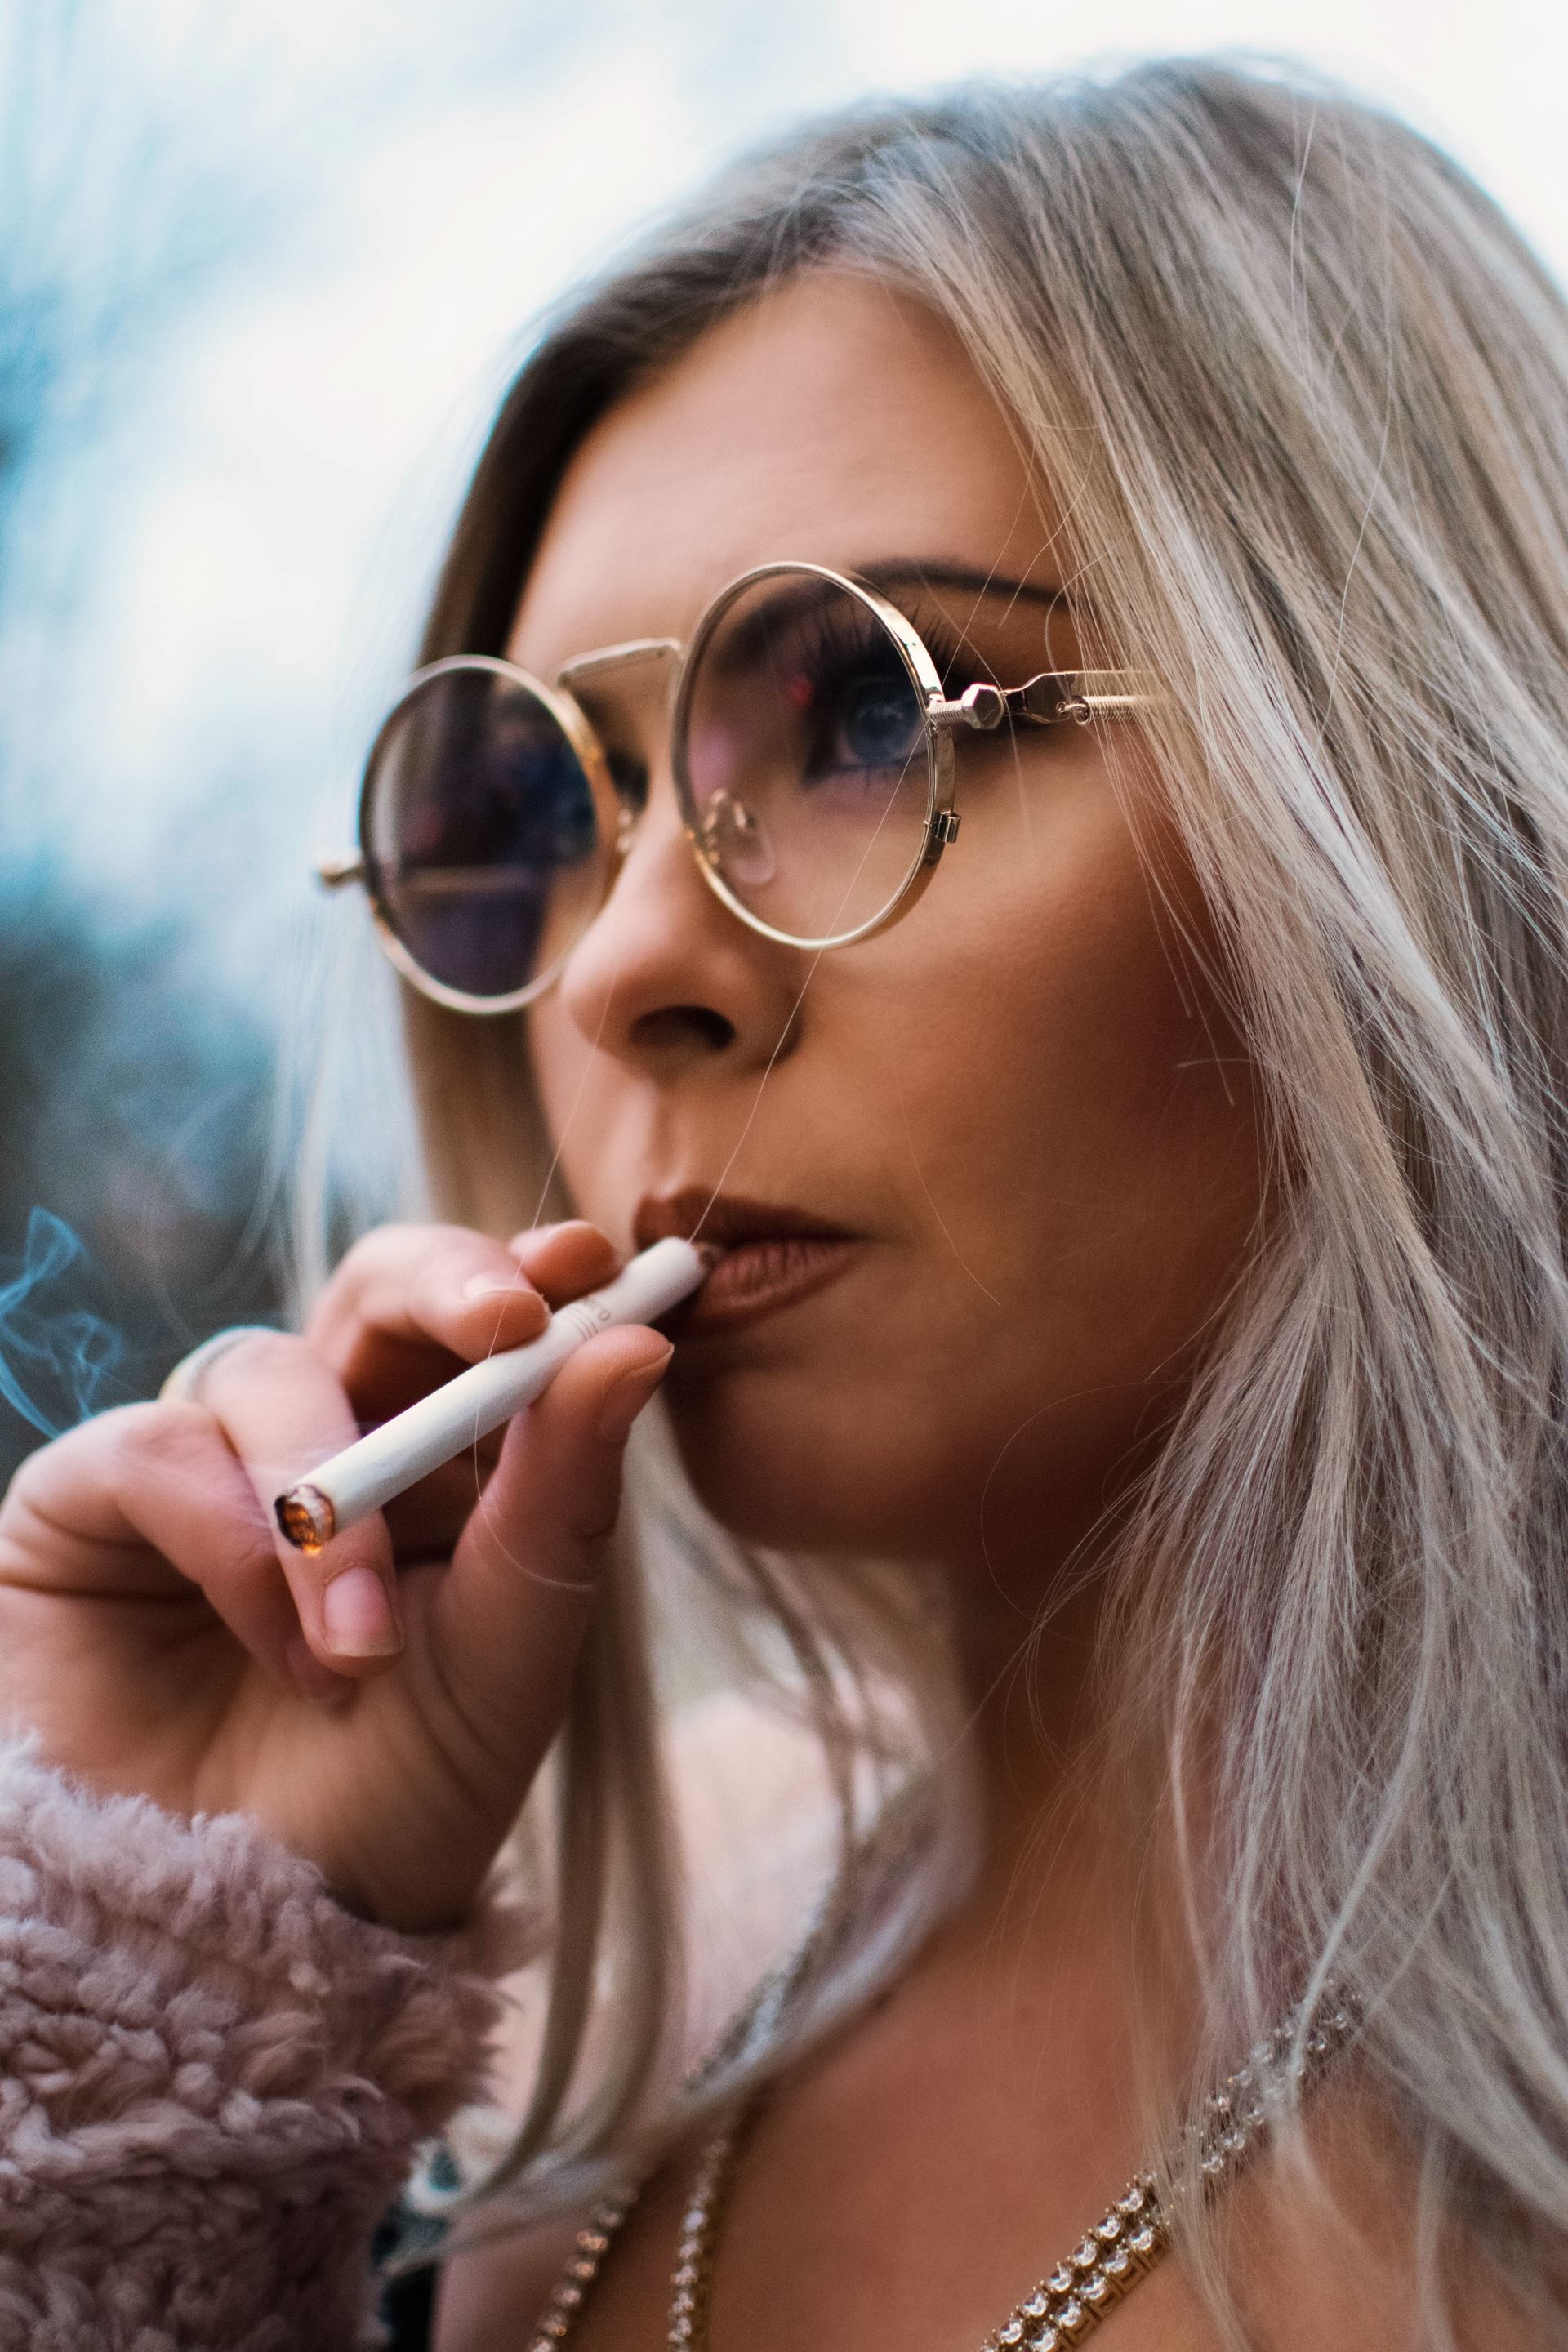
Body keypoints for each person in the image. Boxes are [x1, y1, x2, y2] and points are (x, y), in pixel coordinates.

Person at [3, 52, 1567, 2352]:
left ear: (1406, 810)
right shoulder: (466, 2079)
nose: (629, 961)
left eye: (873, 718)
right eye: (557, 798)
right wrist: (143, 2017)